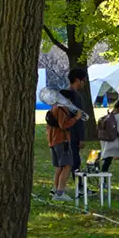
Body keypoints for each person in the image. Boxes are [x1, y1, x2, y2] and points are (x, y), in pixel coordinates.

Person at [46, 69, 87, 202]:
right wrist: (76, 118)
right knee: (68, 166)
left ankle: (55, 189)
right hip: (61, 141)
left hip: (53, 140)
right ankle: (60, 192)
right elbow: (64, 125)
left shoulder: (54, 107)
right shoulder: (62, 108)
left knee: (60, 166)